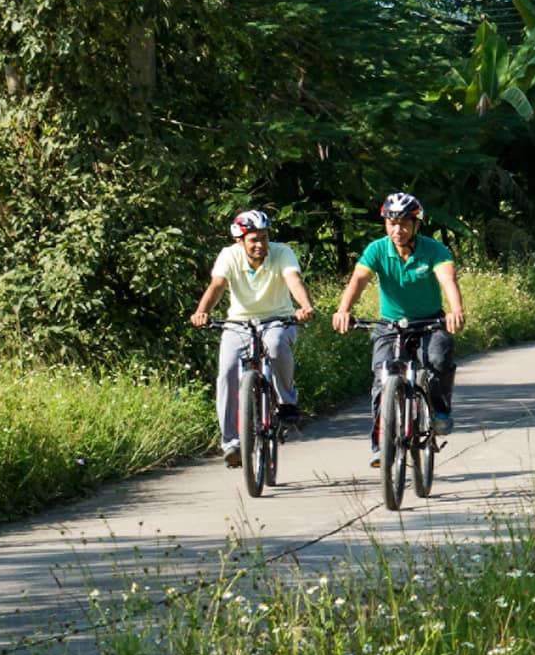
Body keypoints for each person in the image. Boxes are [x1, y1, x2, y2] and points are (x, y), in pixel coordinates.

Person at [332, 192, 466, 467]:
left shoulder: (434, 250)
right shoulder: (377, 249)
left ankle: (440, 410)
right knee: (382, 380)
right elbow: (358, 280)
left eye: (404, 223)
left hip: (430, 322)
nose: (397, 230)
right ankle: (381, 445)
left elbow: (448, 280)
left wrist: (455, 311)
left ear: (417, 224)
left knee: (437, 359)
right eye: (392, 223)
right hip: (390, 325)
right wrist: (344, 310)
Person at [191, 208, 314, 467]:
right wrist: (202, 312)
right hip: (238, 323)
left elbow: (293, 280)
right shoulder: (229, 256)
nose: (260, 244)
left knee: (276, 344)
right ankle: (231, 443)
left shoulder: (282, 253)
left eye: (264, 237)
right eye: (254, 240)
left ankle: (286, 401)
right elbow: (217, 286)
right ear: (240, 241)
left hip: (278, 320)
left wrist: (304, 306)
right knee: (226, 373)